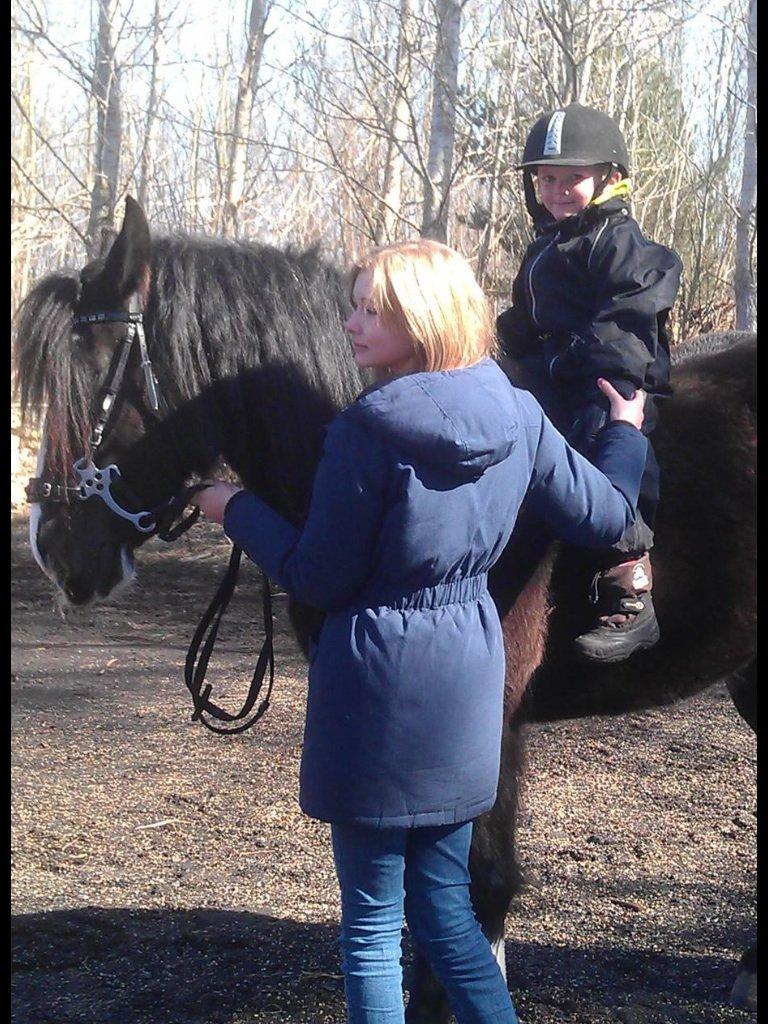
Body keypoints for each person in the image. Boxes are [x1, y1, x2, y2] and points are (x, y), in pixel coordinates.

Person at [195, 239, 648, 1024]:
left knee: (373, 926)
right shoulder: (517, 411)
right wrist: (626, 429)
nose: (351, 323)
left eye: (374, 310)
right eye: (357, 305)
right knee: (446, 911)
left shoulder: (366, 430)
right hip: (465, 680)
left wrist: (229, 507)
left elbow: (318, 577)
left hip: (376, 689)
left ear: (424, 320)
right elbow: (609, 515)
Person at [497, 102, 682, 662]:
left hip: (611, 376)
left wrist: (560, 365)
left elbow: (625, 320)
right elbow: (529, 321)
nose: (555, 189)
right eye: (545, 178)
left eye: (571, 178)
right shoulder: (547, 244)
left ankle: (627, 581)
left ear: (609, 179)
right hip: (557, 374)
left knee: (607, 439)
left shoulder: (621, 243)